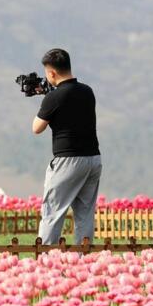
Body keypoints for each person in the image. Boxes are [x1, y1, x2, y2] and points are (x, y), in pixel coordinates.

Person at [32, 48, 101, 245]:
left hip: (68, 161)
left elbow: (36, 128)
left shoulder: (53, 98)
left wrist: (47, 99)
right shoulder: (87, 91)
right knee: (85, 213)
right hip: (93, 159)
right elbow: (71, 109)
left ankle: (45, 259)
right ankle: (83, 259)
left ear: (51, 73)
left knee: (53, 211)